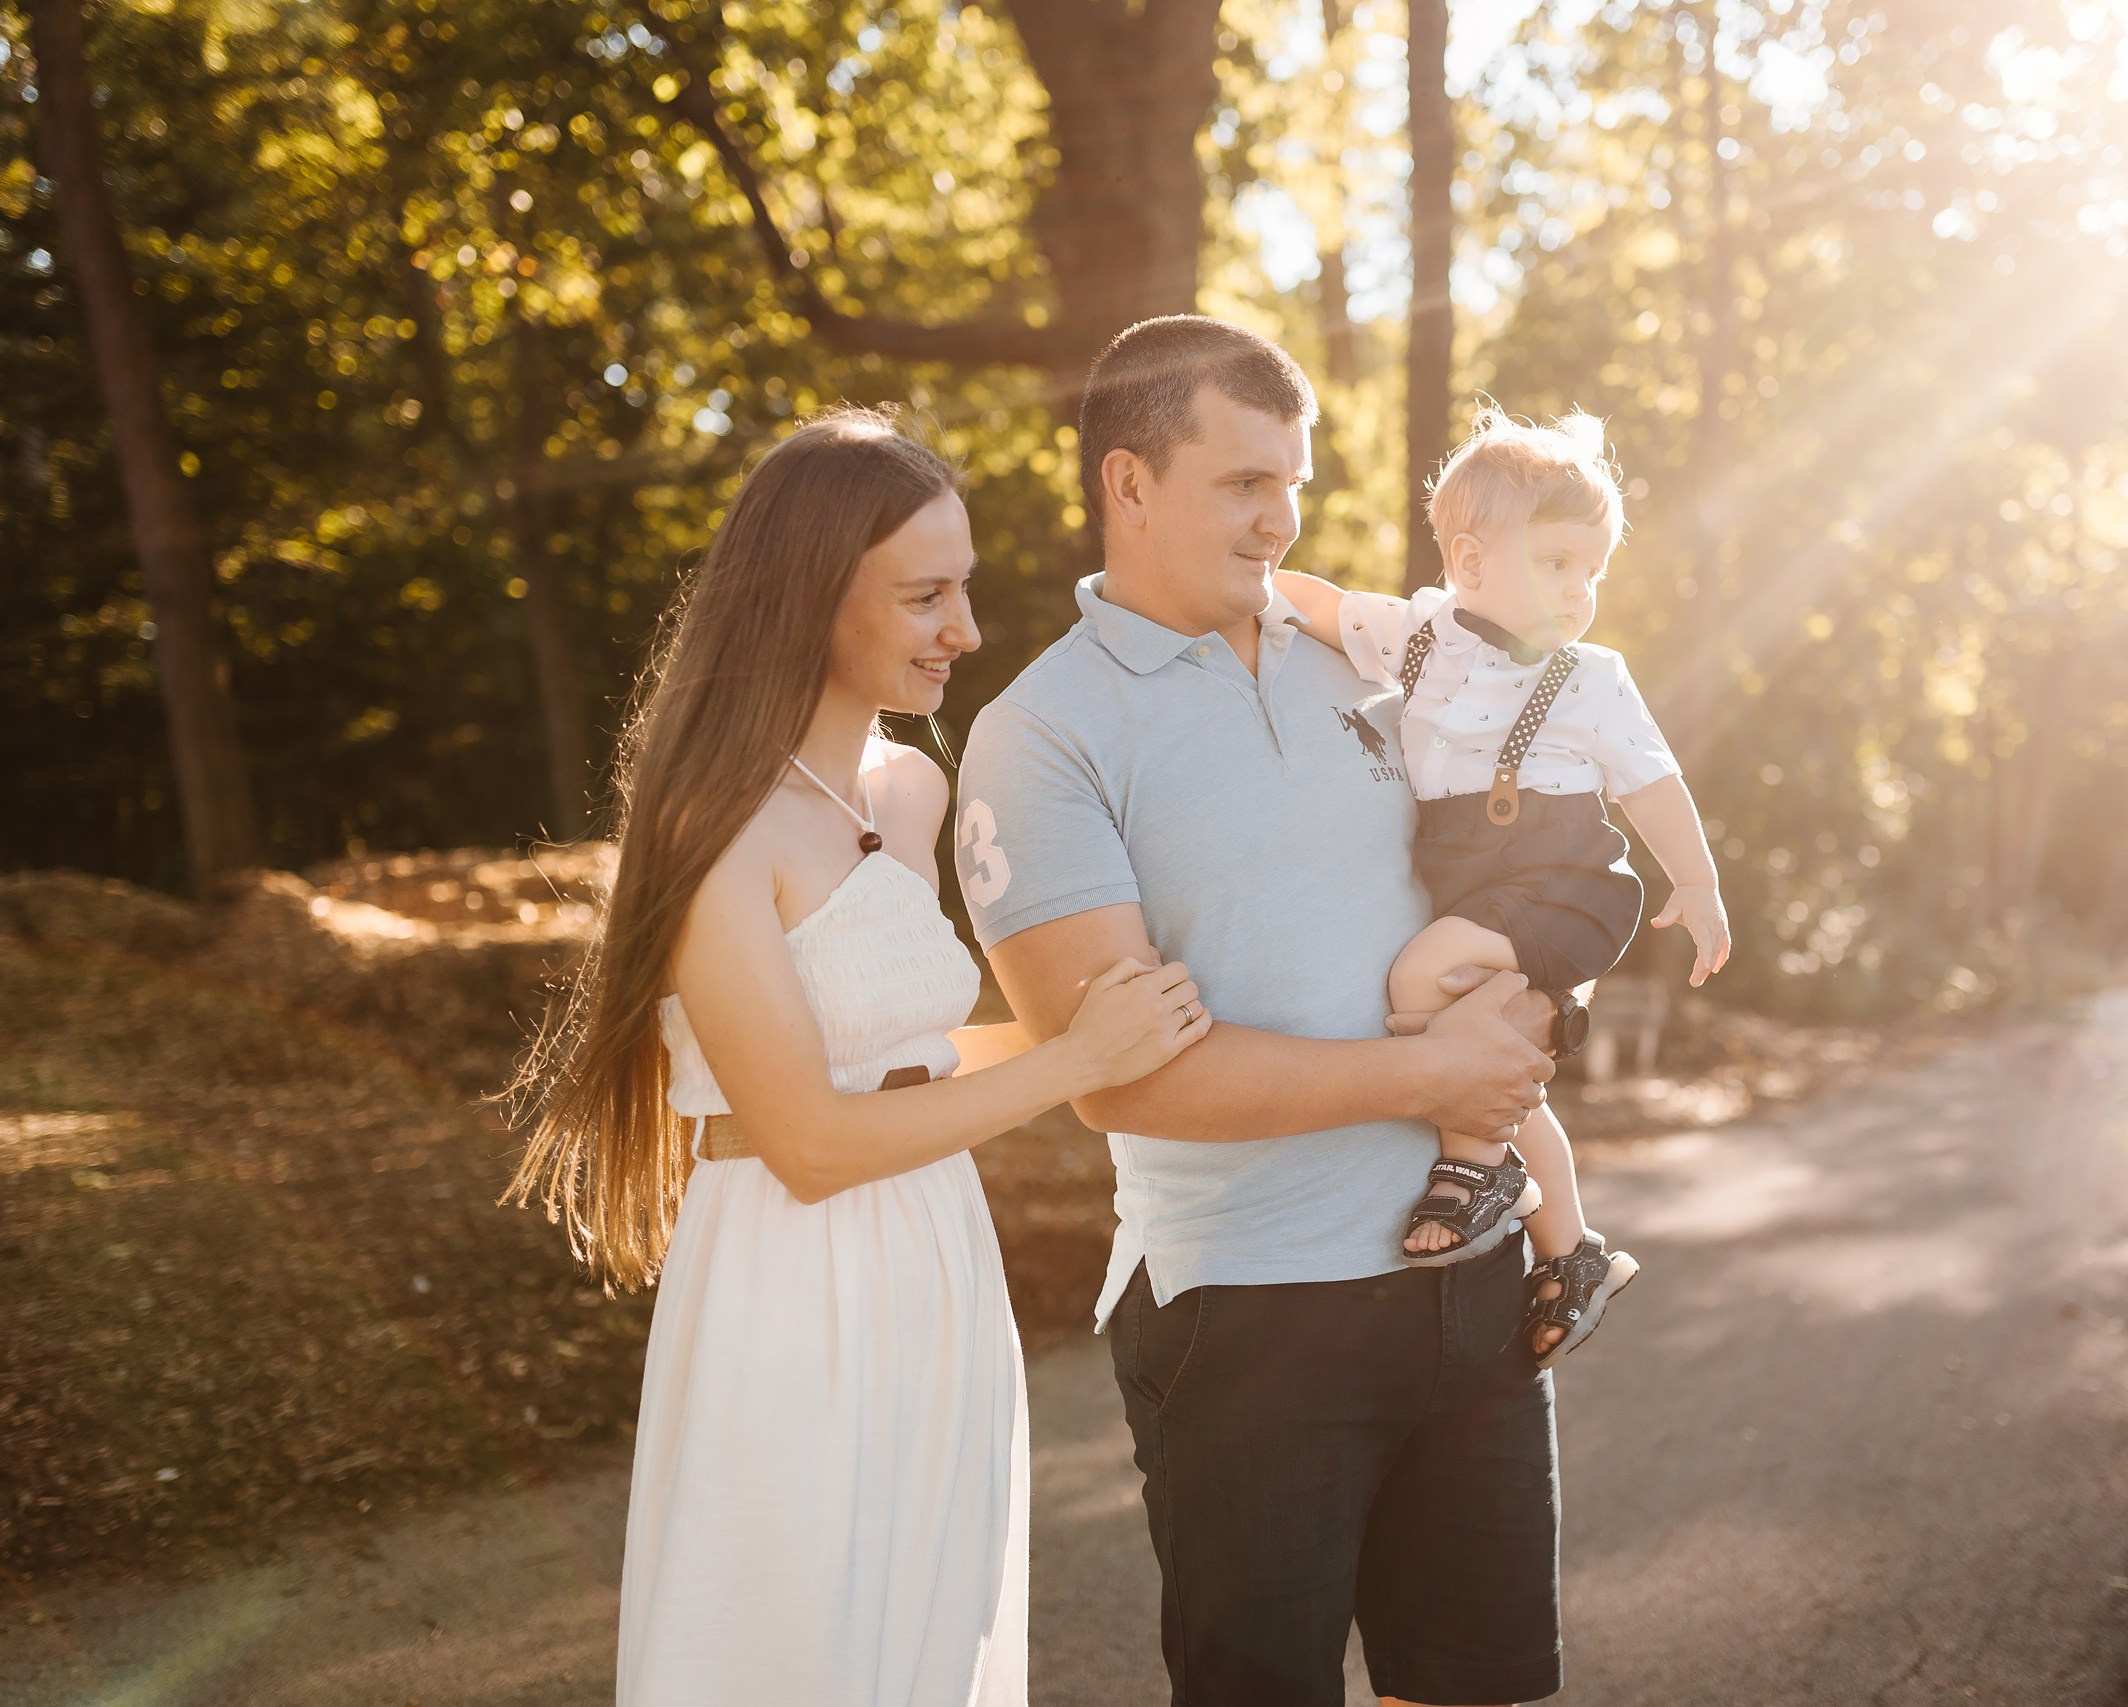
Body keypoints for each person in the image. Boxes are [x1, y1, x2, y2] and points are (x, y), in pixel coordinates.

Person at [503, 409, 1209, 1706]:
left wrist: (1111, 1020)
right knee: (798, 1642)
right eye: (926, 594)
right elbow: (811, 1141)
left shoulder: (910, 792)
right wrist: (1069, 1064)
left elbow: (912, 1059)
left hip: (938, 1251)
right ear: (810, 598)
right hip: (788, 1273)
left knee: (928, 1634)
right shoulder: (717, 828)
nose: (967, 629)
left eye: (968, 588)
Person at [956, 317, 1565, 1707]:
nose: (1281, 517)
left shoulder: (1369, 658)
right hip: (1250, 1311)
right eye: (1243, 483)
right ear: (1130, 482)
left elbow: (1533, 837)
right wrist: (1427, 1078)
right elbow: (1122, 1079)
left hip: (1467, 1271)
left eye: (1295, 481)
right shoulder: (1040, 736)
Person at [1276, 404, 1732, 1364]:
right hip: (1478, 884)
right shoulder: (1421, 635)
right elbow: (1321, 604)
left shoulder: (1591, 676)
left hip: (1562, 881)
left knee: (1420, 976)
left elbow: (1654, 785)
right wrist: (1247, 585)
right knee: (1493, 1063)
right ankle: (1572, 1249)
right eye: (1558, 562)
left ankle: (1473, 1167)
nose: (1581, 589)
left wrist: (1696, 883)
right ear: (1472, 562)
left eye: (1593, 570)